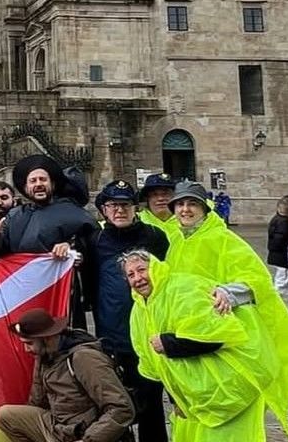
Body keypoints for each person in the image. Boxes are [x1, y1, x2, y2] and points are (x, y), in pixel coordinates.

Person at [164, 181, 288, 437]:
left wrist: (229, 291)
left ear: (205, 209)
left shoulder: (222, 238)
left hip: (222, 338)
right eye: (180, 204)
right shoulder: (174, 238)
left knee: (230, 411)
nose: (185, 210)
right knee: (193, 407)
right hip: (189, 337)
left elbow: (256, 279)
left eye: (192, 204)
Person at [122, 250, 283, 441]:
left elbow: (218, 336)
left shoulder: (182, 289)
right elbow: (158, 366)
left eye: (142, 270)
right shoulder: (139, 311)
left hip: (227, 390)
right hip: (196, 399)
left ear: (155, 268)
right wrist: (177, 399)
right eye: (131, 274)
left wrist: (168, 343)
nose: (138, 278)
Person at [80, 180, 169, 442]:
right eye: (113, 205)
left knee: (151, 400)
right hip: (113, 336)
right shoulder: (95, 240)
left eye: (125, 204)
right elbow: (87, 281)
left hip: (149, 334)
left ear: (135, 207)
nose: (120, 210)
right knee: (118, 403)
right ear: (104, 210)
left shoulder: (154, 236)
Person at [0, 155, 96, 327]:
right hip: (23, 294)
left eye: (43, 179)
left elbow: (91, 245)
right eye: (33, 180)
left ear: (53, 184)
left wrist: (72, 248)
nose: (38, 184)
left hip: (60, 295)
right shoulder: (15, 216)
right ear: (26, 188)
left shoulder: (72, 212)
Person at [0, 308, 135, 442]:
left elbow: (121, 409)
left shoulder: (84, 358)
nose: (26, 350)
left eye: (30, 343)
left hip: (87, 433)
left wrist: (88, 440)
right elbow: (37, 402)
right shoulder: (44, 355)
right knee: (6, 415)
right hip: (59, 429)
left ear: (47, 339)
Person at [136, 173, 179, 242]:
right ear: (147, 199)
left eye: (165, 194)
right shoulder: (136, 221)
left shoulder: (187, 220)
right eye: (154, 194)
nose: (160, 198)